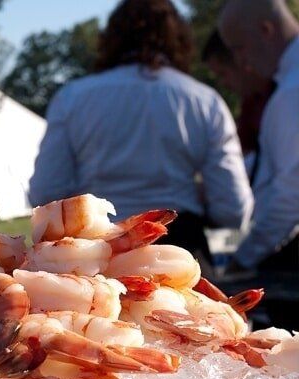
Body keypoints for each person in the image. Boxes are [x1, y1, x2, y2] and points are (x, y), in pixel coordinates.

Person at [29, 0, 253, 269]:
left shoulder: (72, 98)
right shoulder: (204, 101)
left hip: (92, 257)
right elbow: (233, 207)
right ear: (178, 41)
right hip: (178, 253)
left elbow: (45, 193)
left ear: (111, 39)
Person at [219, 0, 299, 328]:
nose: (242, 63)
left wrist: (244, 257)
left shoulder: (292, 93)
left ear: (266, 31)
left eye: (239, 49)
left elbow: (291, 193)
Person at [202, 30, 276, 180]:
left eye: (223, 73)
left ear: (243, 60)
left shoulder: (284, 94)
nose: (224, 83)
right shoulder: (251, 103)